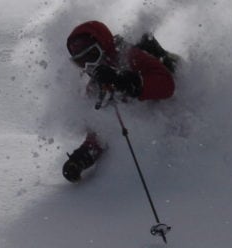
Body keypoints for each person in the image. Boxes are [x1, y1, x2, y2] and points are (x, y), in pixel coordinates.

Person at [62, 20, 176, 182]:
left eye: (92, 55)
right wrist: (80, 159)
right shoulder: (95, 89)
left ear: (104, 46)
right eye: (81, 62)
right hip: (155, 141)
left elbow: (167, 86)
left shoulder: (129, 55)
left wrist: (125, 81)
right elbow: (100, 135)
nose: (89, 65)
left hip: (177, 113)